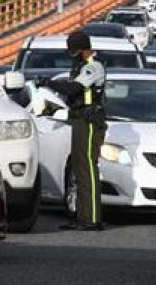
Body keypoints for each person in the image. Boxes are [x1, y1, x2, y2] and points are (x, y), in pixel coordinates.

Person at [43, 31, 108, 231]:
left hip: (89, 121)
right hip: (79, 119)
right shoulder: (80, 66)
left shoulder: (94, 66)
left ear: (84, 49)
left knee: (88, 168)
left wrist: (49, 83)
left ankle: (93, 219)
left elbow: (73, 89)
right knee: (79, 170)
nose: (73, 55)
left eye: (75, 51)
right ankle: (82, 216)